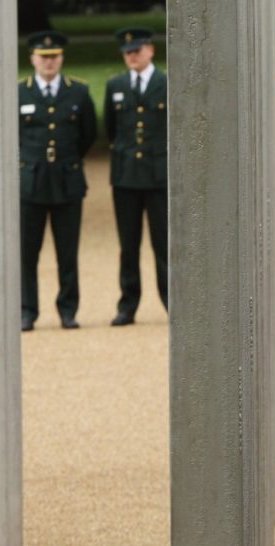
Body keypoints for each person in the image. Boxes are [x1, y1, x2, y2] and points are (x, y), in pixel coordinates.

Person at [19, 30, 97, 331]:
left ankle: (68, 309)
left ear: (61, 58)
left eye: (54, 57)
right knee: (27, 252)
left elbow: (88, 134)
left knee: (67, 251)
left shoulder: (78, 91)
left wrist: (68, 160)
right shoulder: (20, 92)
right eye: (43, 57)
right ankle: (27, 310)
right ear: (33, 59)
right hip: (31, 183)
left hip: (67, 181)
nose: (49, 63)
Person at [104, 27, 169, 326]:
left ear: (150, 50)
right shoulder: (115, 85)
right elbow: (110, 130)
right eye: (128, 52)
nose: (132, 56)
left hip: (158, 177)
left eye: (137, 50)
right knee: (128, 245)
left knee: (164, 243)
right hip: (126, 177)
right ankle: (127, 304)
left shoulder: (166, 83)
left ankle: (173, 301)